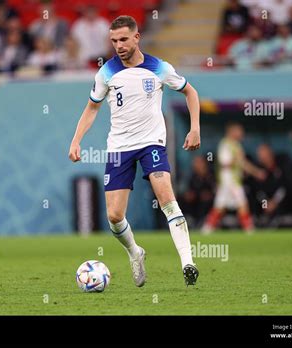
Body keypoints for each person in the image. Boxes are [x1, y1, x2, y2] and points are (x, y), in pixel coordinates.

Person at [68, 16, 201, 287]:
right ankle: (134, 252)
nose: (118, 45)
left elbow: (191, 92)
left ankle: (188, 262)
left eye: (124, 39)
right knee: (114, 217)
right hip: (119, 148)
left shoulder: (159, 68)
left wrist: (195, 127)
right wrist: (76, 140)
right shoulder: (106, 73)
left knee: (166, 196)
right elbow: (92, 108)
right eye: (114, 40)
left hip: (152, 143)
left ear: (137, 37)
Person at [202, 123, 266, 234]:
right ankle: (249, 229)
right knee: (242, 203)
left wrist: (252, 171)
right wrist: (240, 162)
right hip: (229, 181)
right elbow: (225, 163)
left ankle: (207, 229)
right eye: (239, 131)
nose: (242, 134)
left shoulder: (236, 145)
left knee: (220, 206)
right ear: (231, 132)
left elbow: (242, 163)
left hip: (231, 180)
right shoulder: (226, 145)